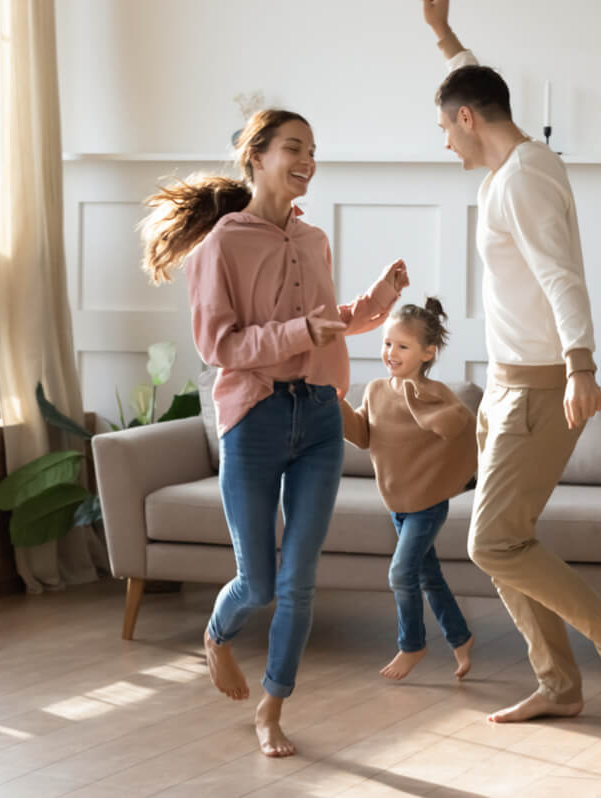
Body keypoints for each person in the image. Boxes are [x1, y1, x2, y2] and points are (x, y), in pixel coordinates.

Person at [139, 109, 409, 757]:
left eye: (314, 149)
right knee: (256, 583)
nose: (308, 158)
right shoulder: (222, 245)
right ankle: (216, 635)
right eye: (294, 147)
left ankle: (273, 708)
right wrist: (298, 334)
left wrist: (374, 304)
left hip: (317, 416)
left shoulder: (313, 241)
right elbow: (219, 346)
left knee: (298, 582)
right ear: (254, 155)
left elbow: (323, 322)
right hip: (253, 422)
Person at [419, 0, 601, 727]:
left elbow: (562, 276)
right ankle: (558, 685)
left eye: (445, 128)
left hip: (539, 389)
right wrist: (445, 38)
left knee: (491, 539)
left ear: (467, 119)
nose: (445, 145)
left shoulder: (523, 177)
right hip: (503, 386)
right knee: (503, 546)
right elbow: (471, 82)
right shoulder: (514, 160)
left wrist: (582, 367)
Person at [342, 298, 477, 682]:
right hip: (396, 502)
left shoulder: (435, 393)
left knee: (401, 573)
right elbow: (364, 435)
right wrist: (336, 407)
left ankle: (411, 644)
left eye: (402, 346)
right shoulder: (375, 390)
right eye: (387, 344)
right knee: (427, 576)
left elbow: (454, 426)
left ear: (427, 352)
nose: (391, 353)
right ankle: (461, 638)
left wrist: (416, 400)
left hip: (427, 503)